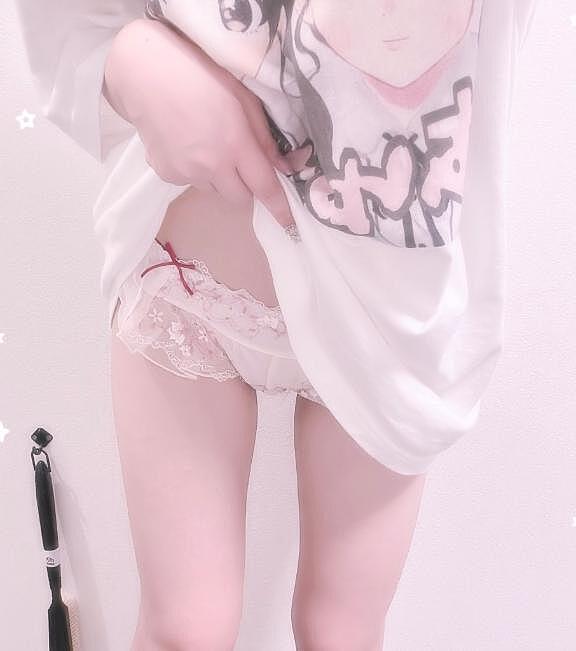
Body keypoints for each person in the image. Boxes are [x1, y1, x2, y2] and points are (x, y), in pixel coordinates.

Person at [14, 1, 538, 648]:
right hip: (192, 273)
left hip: (386, 314)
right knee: (188, 629)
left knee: (339, 629)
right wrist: (124, 57)